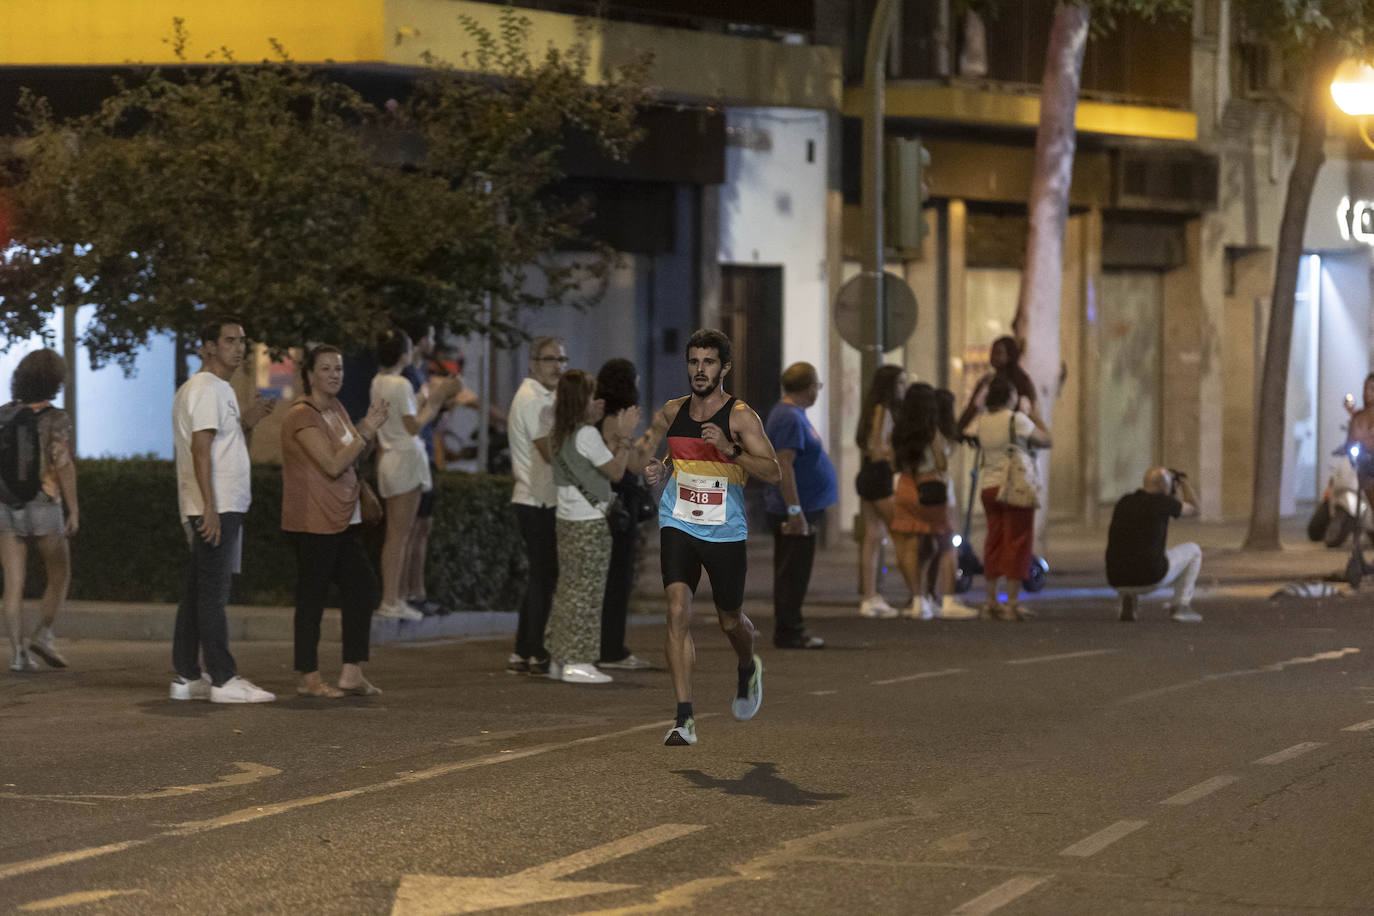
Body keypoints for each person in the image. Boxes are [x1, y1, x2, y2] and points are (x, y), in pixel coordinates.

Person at [642, 329, 780, 746]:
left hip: (724, 529)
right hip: (679, 521)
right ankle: (684, 718)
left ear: (725, 368)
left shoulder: (741, 417)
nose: (699, 370)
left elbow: (773, 471)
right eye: (693, 361)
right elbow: (667, 458)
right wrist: (658, 471)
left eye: (708, 362)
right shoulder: (670, 412)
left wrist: (730, 449)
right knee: (677, 610)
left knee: (729, 620)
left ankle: (747, 666)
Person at [170, 318, 277, 703]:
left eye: (242, 341)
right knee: (213, 593)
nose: (239, 348)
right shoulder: (205, 388)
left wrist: (247, 419)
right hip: (217, 505)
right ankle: (223, 679)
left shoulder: (218, 389)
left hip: (218, 503)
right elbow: (201, 450)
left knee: (198, 590)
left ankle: (185, 675)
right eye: (229, 341)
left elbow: (222, 445)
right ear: (208, 347)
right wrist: (211, 509)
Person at [281, 345, 390, 697]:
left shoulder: (337, 409)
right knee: (312, 597)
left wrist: (368, 432)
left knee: (363, 586)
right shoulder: (302, 415)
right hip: (313, 519)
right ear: (310, 374)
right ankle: (308, 675)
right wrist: (366, 430)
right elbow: (330, 464)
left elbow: (352, 454)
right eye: (326, 368)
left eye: (339, 368)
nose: (334, 374)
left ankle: (351, 671)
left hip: (344, 516)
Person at [542, 370, 640, 684]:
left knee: (568, 590)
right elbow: (615, 471)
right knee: (588, 592)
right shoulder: (586, 435)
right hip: (590, 521)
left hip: (566, 519)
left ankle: (559, 659)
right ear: (581, 399)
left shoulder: (558, 432)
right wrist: (625, 437)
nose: (596, 400)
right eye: (590, 395)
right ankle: (579, 661)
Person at [369, 329, 462, 622]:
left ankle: (393, 597)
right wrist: (437, 400)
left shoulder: (378, 381)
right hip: (406, 459)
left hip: (389, 459)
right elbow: (413, 425)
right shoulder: (399, 383)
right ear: (404, 353)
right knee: (401, 535)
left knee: (395, 535)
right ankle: (391, 599)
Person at [2, 349, 78, 672]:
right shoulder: (56, 418)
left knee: (13, 582)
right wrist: (74, 508)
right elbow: (62, 464)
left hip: (6, 505)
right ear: (55, 381)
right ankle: (44, 633)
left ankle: (18, 654)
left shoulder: (3, 414)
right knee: (59, 573)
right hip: (44, 504)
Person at [961, 376, 1051, 621]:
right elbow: (1046, 439)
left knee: (994, 541)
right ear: (1010, 397)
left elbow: (966, 433)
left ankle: (991, 601)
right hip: (1015, 488)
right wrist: (1032, 413)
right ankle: (1011, 603)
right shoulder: (1017, 419)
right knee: (1018, 542)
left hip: (988, 487)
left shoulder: (983, 420)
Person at [762, 362, 837, 649]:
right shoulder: (789, 418)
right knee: (792, 572)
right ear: (809, 388)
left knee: (794, 571)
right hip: (793, 509)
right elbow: (785, 464)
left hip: (801, 507)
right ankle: (789, 630)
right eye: (817, 385)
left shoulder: (794, 415)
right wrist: (795, 511)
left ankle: (791, 627)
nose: (817, 390)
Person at [891, 384, 980, 621]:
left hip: (906, 488)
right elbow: (941, 463)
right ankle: (949, 600)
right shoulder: (933, 433)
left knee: (912, 546)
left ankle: (919, 601)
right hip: (931, 489)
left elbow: (895, 462)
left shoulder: (900, 432)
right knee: (946, 544)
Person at [506, 336, 566, 676]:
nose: (557, 365)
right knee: (543, 576)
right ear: (533, 364)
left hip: (539, 497)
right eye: (549, 359)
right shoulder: (533, 399)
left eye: (561, 359)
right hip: (536, 498)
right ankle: (533, 650)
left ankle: (523, 649)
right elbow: (548, 450)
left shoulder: (546, 397)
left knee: (542, 575)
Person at [594, 358, 654, 671]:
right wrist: (657, 430)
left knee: (607, 579)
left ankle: (605, 646)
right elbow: (631, 465)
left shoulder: (599, 413)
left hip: (603, 505)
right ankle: (611, 649)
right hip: (618, 507)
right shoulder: (617, 419)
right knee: (617, 579)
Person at [397, 320, 452, 616]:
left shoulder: (418, 374)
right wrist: (441, 397)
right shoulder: (407, 377)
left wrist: (443, 410)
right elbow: (412, 422)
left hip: (427, 457)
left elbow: (429, 421)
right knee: (411, 530)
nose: (433, 340)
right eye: (430, 334)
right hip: (414, 459)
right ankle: (405, 593)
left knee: (422, 529)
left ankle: (417, 592)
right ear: (419, 342)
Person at [1105, 467, 1203, 623]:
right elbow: (1195, 509)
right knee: (1194, 551)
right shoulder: (1164, 502)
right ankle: (1181, 606)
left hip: (1117, 579)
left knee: (1129, 548)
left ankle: (1128, 602)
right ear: (1166, 486)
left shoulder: (1124, 502)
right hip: (1151, 577)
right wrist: (1183, 483)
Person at [854, 365, 907, 619]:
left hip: (868, 474)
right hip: (879, 475)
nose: (903, 389)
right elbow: (878, 447)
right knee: (901, 533)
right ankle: (917, 594)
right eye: (899, 384)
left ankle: (870, 597)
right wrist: (897, 455)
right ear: (889, 386)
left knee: (873, 537)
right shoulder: (883, 409)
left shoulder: (872, 408)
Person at [957, 335, 1037, 433]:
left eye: (998, 353)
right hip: (992, 433)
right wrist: (957, 430)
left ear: (1009, 356)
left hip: (1015, 435)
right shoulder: (987, 381)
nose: (993, 356)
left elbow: (1033, 413)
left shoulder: (1022, 382)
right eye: (992, 352)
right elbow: (972, 409)